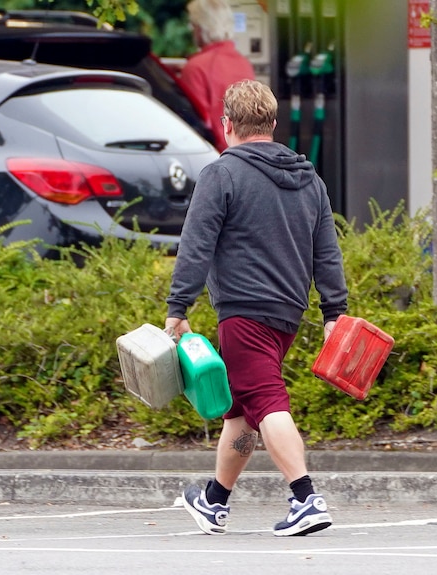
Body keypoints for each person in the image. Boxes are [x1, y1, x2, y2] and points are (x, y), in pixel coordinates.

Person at [165, 79, 348, 537]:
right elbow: (327, 253)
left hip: (243, 312)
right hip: (287, 313)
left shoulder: (221, 174)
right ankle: (214, 500)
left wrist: (178, 305)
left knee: (265, 399)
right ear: (272, 123)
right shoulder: (310, 180)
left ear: (227, 124)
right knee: (241, 407)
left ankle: (306, 498)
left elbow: (196, 245)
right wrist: (333, 314)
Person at [182, 0, 255, 152]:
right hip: (248, 154)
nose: (191, 29)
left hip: (215, 155)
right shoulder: (244, 63)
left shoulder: (196, 67)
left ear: (202, 28)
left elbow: (195, 124)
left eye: (193, 24)